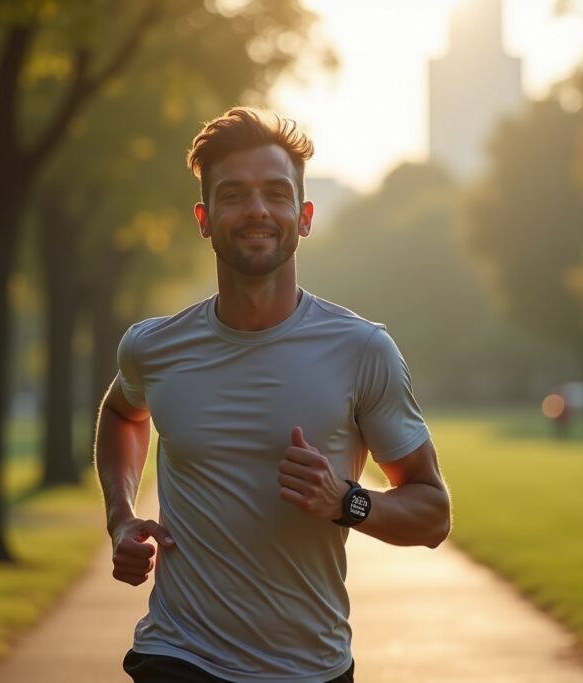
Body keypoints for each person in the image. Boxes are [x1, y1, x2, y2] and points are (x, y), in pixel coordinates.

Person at [94, 107, 451, 683]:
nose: (257, 209)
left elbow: (432, 513)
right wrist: (119, 517)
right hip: (178, 656)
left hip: (311, 668)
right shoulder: (153, 347)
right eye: (233, 194)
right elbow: (121, 413)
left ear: (303, 216)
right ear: (204, 218)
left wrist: (346, 502)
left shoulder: (362, 350)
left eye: (275, 193)